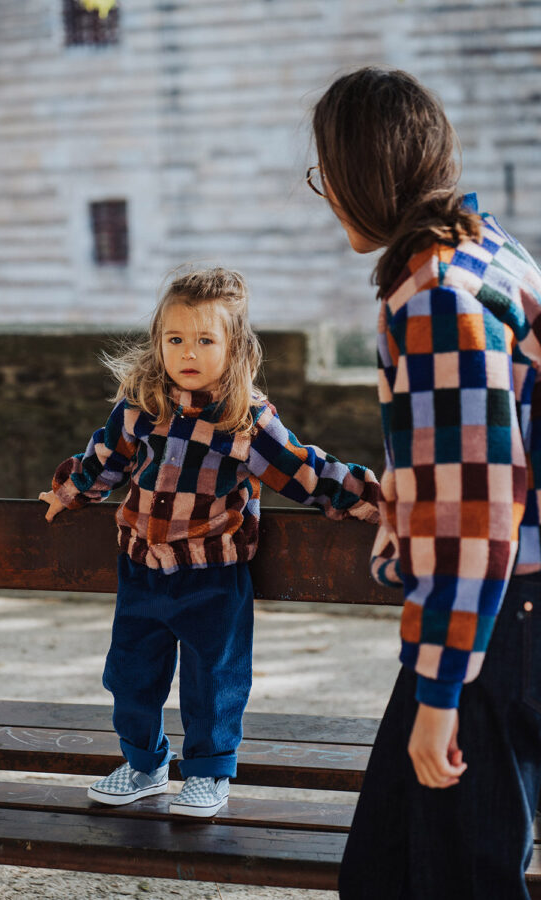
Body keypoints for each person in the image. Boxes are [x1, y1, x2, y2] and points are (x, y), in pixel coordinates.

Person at [307, 66, 541, 899]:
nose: (324, 192)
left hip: (495, 624)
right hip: (496, 619)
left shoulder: (436, 292)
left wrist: (441, 691)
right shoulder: (490, 250)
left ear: (357, 174)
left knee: (456, 880)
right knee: (384, 871)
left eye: (324, 173)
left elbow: (478, 511)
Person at [39, 266, 380, 818]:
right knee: (130, 674)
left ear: (235, 347)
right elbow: (106, 459)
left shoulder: (245, 420)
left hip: (212, 575)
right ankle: (144, 764)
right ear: (158, 343)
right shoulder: (139, 407)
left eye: (205, 339)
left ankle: (207, 773)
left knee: (214, 678)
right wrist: (71, 492)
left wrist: (370, 499)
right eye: (175, 339)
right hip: (142, 569)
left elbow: (304, 471)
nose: (188, 352)